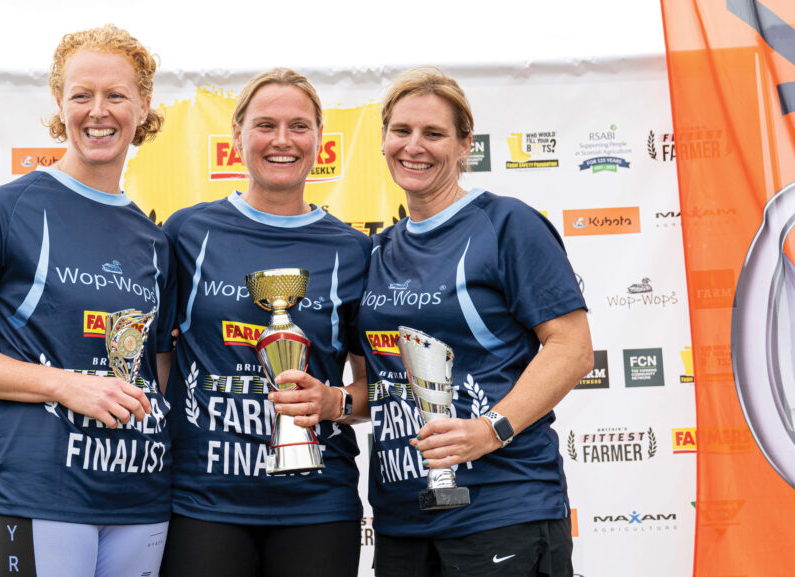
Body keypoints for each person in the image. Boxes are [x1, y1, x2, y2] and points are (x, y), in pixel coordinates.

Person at [0, 24, 175, 577]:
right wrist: (64, 383)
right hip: (42, 492)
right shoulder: (4, 209)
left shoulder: (155, 240)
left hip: (142, 494)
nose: (98, 111)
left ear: (144, 105)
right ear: (60, 101)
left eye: (116, 95)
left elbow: (159, 369)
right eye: (82, 95)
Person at [357, 66, 593, 577]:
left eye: (434, 134)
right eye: (402, 131)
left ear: (465, 145)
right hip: (402, 519)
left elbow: (572, 350)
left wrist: (491, 429)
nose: (414, 146)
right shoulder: (377, 250)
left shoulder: (507, 223)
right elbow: (373, 383)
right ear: (383, 139)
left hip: (502, 508)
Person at [159, 68, 371, 577]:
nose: (282, 140)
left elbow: (374, 387)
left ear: (321, 140)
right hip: (203, 498)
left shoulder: (354, 249)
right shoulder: (188, 232)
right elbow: (161, 362)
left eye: (299, 126)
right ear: (236, 137)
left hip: (316, 502)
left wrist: (333, 402)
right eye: (265, 125)